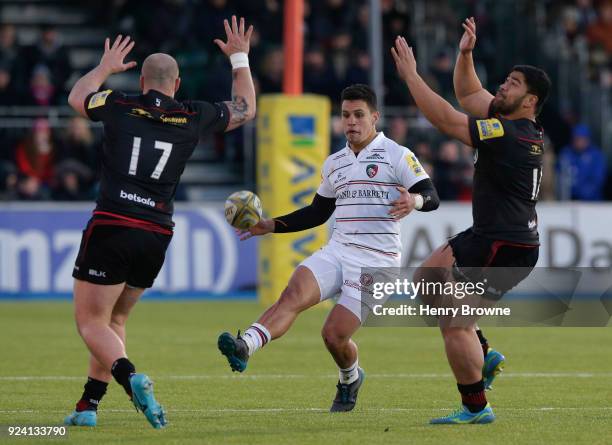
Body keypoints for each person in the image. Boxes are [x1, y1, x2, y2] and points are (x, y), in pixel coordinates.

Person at [63, 16, 256, 429]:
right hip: (156, 233)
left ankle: (132, 378)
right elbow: (246, 108)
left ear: (144, 80)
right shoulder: (192, 115)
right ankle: (88, 407)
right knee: (114, 321)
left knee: (90, 322)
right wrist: (239, 57)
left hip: (114, 222)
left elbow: (77, 99)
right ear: (177, 83)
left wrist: (104, 68)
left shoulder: (116, 103)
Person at [218, 83, 440, 412]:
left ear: (375, 117)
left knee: (333, 335)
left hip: (377, 263)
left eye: (359, 115)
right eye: (346, 115)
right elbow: (318, 212)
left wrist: (415, 199)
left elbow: (431, 195)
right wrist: (271, 225)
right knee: (292, 295)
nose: (351, 121)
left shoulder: (397, 154)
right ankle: (245, 345)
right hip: (338, 251)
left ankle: (350, 378)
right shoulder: (334, 163)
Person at [391, 17, 550, 424]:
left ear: (530, 101)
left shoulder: (509, 135)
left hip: (505, 246)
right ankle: (484, 351)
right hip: (491, 236)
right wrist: (465, 53)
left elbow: (446, 118)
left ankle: (475, 407)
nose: (503, 85)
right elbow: (467, 92)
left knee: (452, 321)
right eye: (507, 79)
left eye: (513, 83)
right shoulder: (515, 124)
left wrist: (411, 77)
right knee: (426, 281)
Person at [557, 124, 606, 201]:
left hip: (593, 202)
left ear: (588, 139)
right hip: (569, 201)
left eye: (582, 139)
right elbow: (559, 176)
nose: (579, 142)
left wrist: (581, 192)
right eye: (577, 139)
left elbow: (598, 179)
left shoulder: (596, 155)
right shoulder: (566, 153)